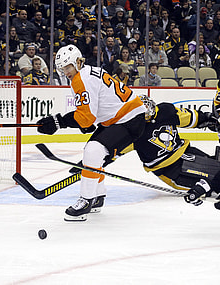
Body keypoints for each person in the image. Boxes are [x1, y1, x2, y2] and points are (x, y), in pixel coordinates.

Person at [36, 44, 147, 221]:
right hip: (120, 117)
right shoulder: (88, 72)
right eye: (62, 68)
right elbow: (92, 112)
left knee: (93, 151)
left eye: (68, 66)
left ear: (78, 62)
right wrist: (72, 122)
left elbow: (86, 118)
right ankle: (98, 196)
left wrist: (58, 122)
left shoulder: (81, 79)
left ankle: (86, 200)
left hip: (128, 119)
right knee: (94, 154)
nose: (66, 71)